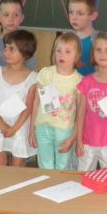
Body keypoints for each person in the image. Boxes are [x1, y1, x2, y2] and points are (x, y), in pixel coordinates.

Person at [0, 30, 38, 167]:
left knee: (17, 164)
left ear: (25, 53)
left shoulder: (33, 77)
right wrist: (1, 123)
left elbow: (29, 107)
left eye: (12, 49)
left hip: (19, 125)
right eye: (5, 48)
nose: (6, 52)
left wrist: (15, 128)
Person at [29, 32, 82, 170]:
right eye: (58, 51)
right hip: (42, 126)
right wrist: (32, 129)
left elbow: (81, 114)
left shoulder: (79, 80)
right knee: (44, 165)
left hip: (64, 130)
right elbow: (36, 102)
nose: (62, 55)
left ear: (76, 56)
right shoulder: (45, 73)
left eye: (67, 51)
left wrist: (73, 137)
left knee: (62, 166)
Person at [75, 32, 107, 172]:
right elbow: (80, 114)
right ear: (93, 53)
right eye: (98, 50)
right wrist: (79, 141)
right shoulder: (86, 82)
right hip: (88, 142)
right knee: (83, 178)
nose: (103, 54)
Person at [0, 0, 36, 69]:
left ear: (22, 18)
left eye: (16, 15)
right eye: (6, 15)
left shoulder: (27, 42)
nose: (11, 19)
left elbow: (31, 69)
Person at [67, 0, 98, 76]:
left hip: (90, 83)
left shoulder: (99, 39)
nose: (74, 17)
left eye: (80, 13)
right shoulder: (66, 38)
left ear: (93, 16)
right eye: (71, 12)